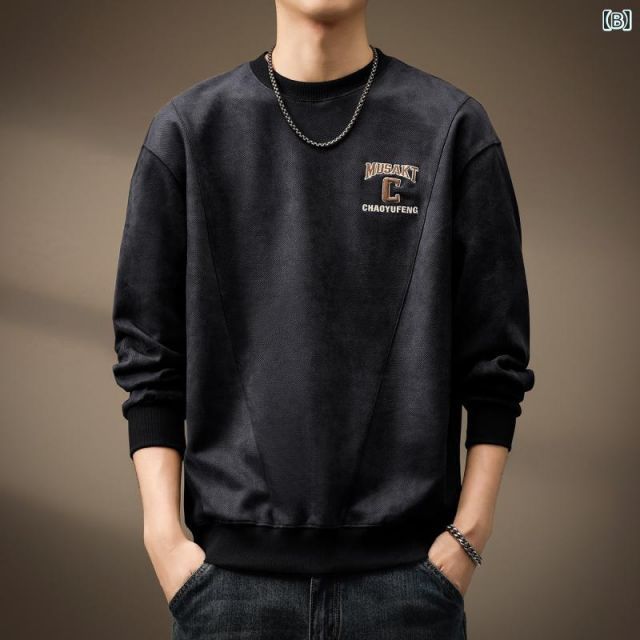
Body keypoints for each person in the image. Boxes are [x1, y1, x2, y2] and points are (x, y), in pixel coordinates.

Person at [111, 1, 535, 638]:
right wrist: (164, 539)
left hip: (407, 588)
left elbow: (496, 358)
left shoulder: (449, 128)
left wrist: (469, 535)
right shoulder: (189, 131)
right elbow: (149, 354)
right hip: (229, 591)